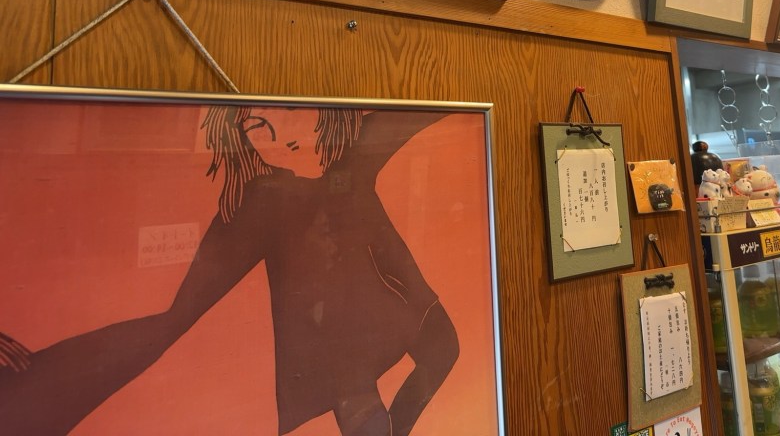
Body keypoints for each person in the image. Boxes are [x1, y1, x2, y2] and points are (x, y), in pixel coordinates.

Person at [0, 105, 459, 436]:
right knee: (357, 399)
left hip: (396, 299)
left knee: (442, 349)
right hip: (335, 341)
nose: (284, 140)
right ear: (240, 138)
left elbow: (426, 112)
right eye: (259, 129)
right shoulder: (260, 201)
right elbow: (172, 319)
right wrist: (34, 378)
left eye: (295, 119)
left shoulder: (354, 153)